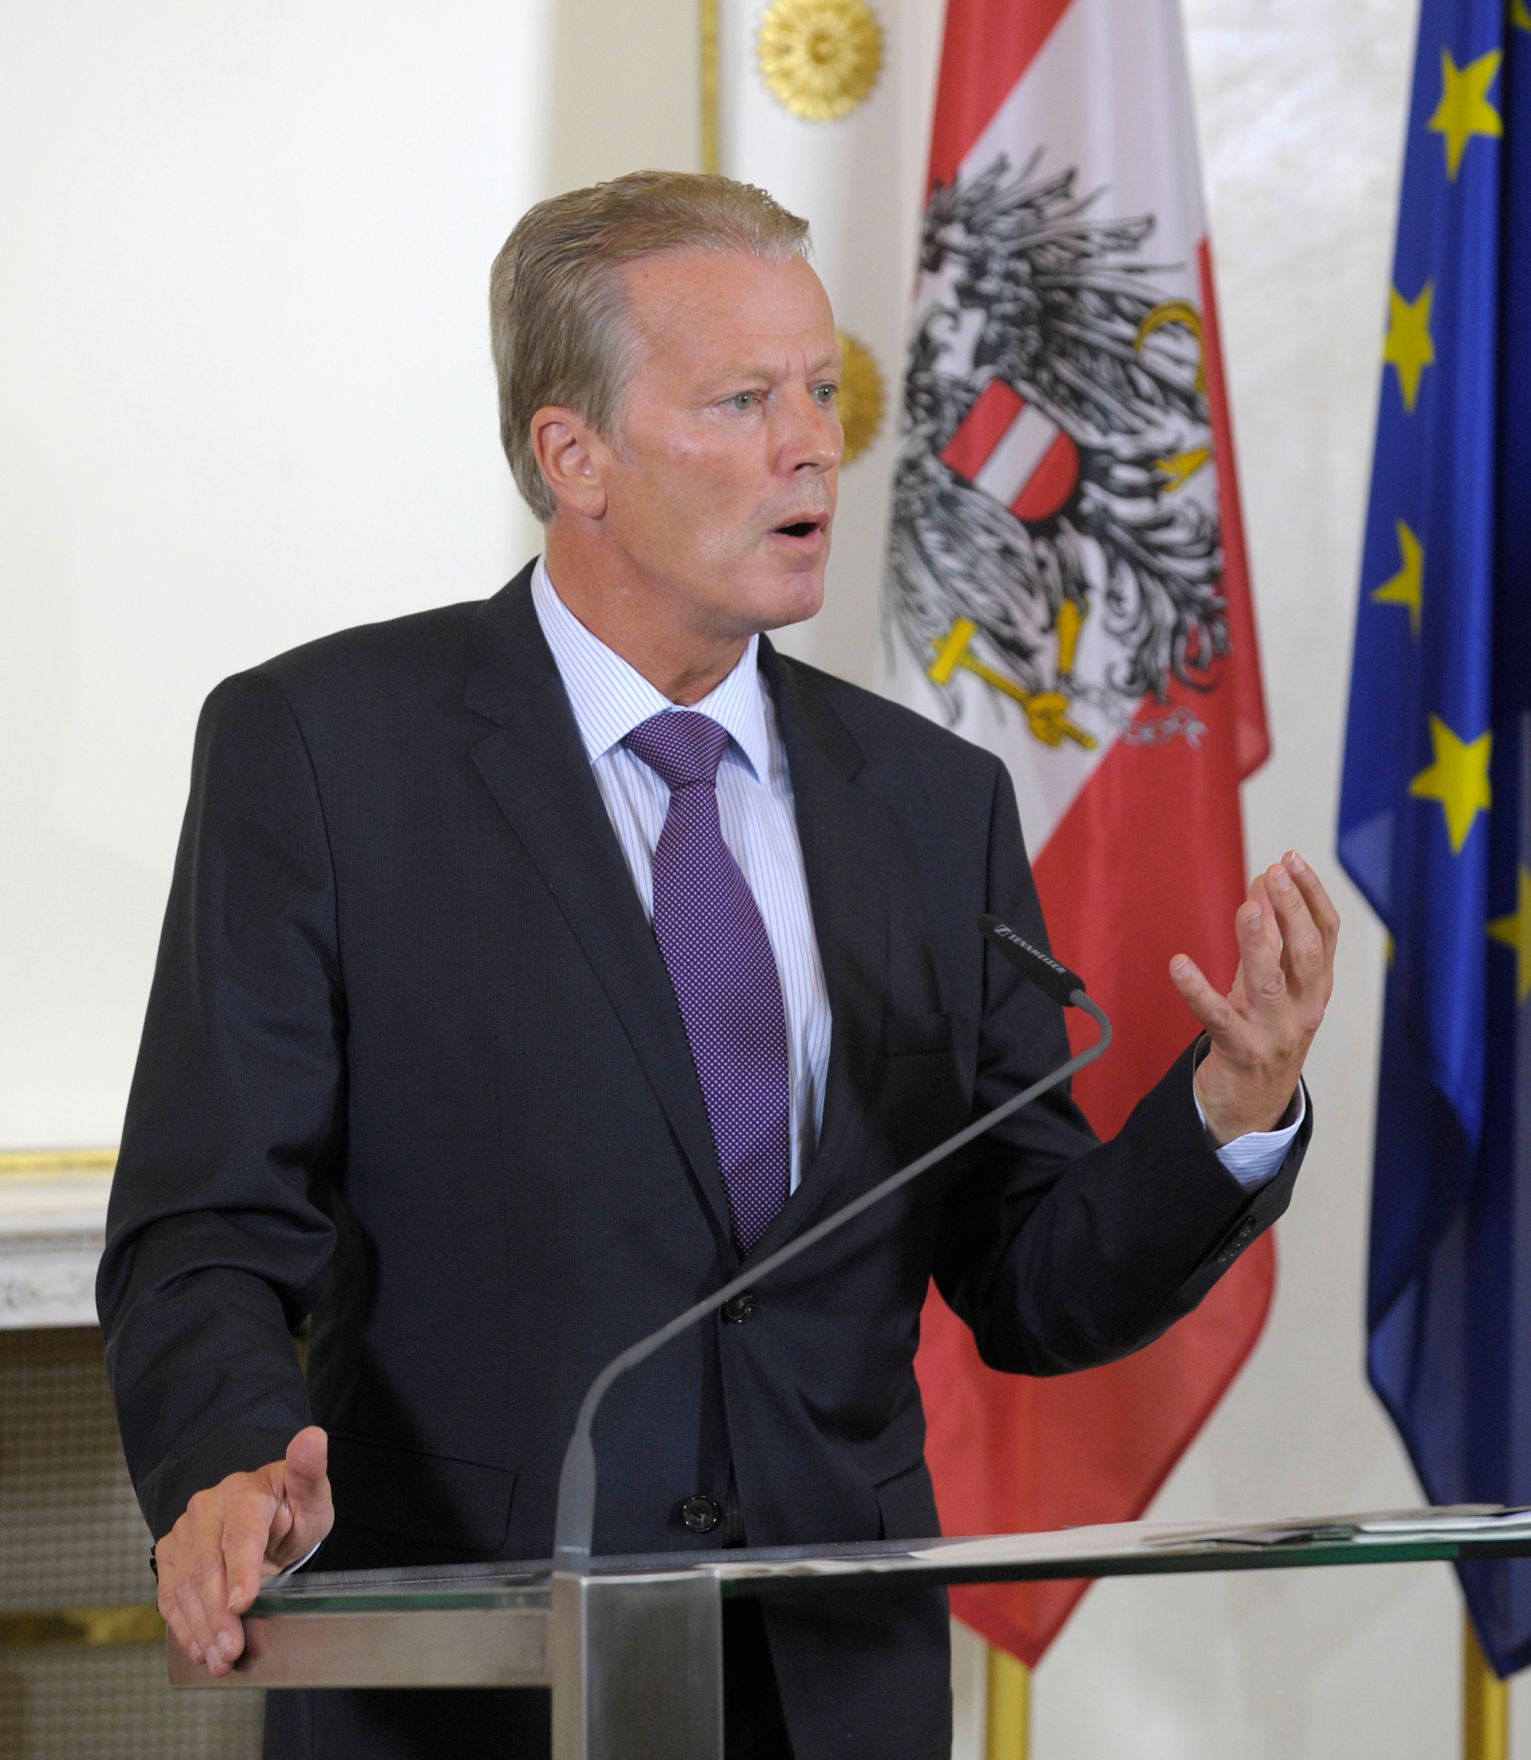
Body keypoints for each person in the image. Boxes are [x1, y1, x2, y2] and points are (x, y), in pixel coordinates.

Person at [97, 171, 1335, 1760]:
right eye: (743, 401)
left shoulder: (931, 802)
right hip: (473, 1680)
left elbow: (1032, 1278)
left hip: (834, 1686)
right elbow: (207, 1223)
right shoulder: (328, 753)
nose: (813, 443)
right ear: (576, 457)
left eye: (819, 392)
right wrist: (229, 1461)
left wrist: (1230, 1107)